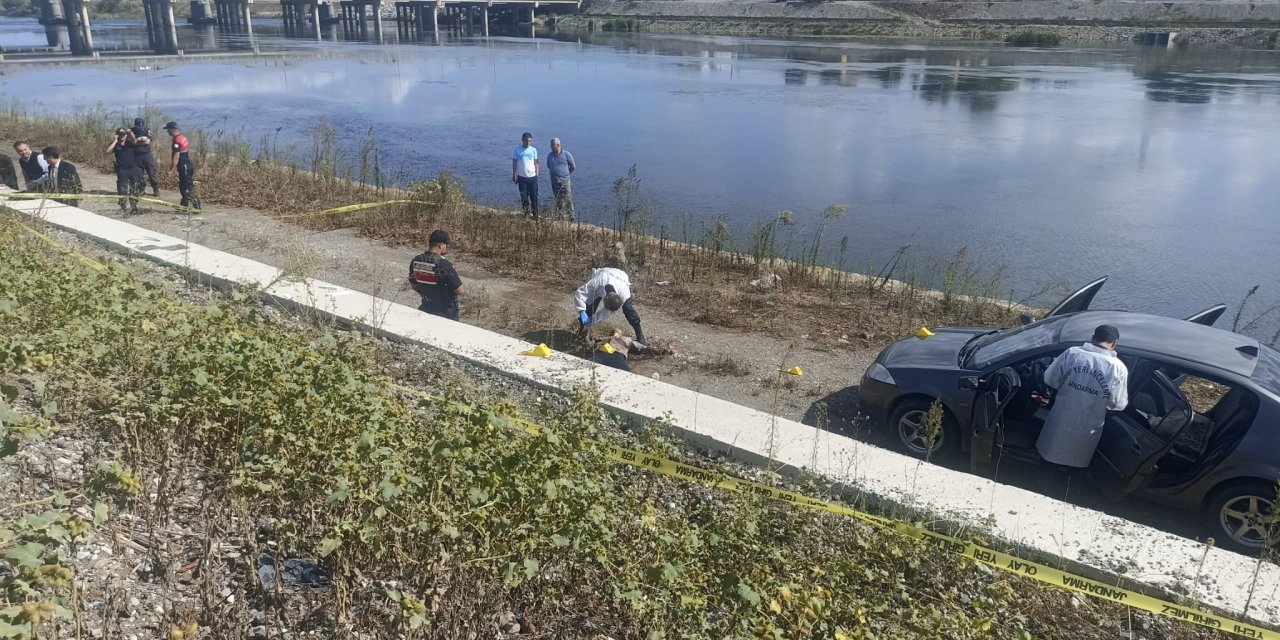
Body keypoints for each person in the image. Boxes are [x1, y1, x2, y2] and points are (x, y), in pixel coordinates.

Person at [1036, 324, 1130, 469]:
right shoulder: (1118, 368)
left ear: (1092, 338)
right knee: (1071, 468)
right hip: (1086, 431)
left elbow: (1050, 379)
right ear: (1114, 344)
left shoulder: (1072, 353)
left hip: (1059, 422)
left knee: (1048, 463)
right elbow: (1117, 404)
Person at [574, 267, 646, 344]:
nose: (606, 310)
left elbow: (607, 312)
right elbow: (580, 292)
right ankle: (582, 332)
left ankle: (640, 336)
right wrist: (582, 310)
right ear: (606, 297)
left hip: (622, 277)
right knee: (589, 306)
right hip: (605, 273)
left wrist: (593, 320)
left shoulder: (624, 295)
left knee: (628, 309)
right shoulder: (598, 282)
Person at [408, 229, 465, 321]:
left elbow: (414, 285)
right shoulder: (443, 264)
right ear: (441, 245)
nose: (446, 247)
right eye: (446, 245)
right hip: (445, 313)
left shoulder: (416, 260)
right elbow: (460, 290)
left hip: (426, 307)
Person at [592, 327, 675, 372]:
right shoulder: (602, 339)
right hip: (601, 354)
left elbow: (643, 348)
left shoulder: (626, 339)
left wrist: (664, 351)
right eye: (615, 330)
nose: (615, 331)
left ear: (621, 334)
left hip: (616, 355)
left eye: (618, 331)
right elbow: (590, 345)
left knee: (625, 376)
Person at [164, 121, 201, 210]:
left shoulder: (176, 141)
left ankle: (196, 206)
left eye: (168, 129)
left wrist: (171, 170)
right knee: (182, 186)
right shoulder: (182, 137)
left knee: (188, 186)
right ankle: (184, 205)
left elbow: (176, 157)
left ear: (172, 129)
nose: (167, 131)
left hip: (184, 165)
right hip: (187, 164)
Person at [108, 127, 145, 214]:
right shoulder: (116, 145)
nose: (122, 136)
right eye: (120, 134)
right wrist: (115, 141)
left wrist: (129, 132)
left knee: (134, 189)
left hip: (133, 169)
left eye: (123, 134)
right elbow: (108, 151)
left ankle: (133, 207)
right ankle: (123, 206)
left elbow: (134, 140)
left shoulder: (130, 143)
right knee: (122, 189)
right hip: (122, 170)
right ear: (117, 135)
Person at [545, 137, 576, 220]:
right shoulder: (550, 155)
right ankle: (561, 216)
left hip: (565, 181)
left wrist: (566, 174)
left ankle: (571, 217)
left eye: (552, 146)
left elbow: (573, 167)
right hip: (554, 181)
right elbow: (549, 166)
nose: (551, 147)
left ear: (558, 145)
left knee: (568, 199)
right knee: (558, 199)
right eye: (551, 145)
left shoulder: (567, 154)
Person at [511, 131, 539, 218]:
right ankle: (526, 214)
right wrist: (514, 174)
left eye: (529, 141)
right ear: (522, 140)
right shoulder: (517, 150)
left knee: (534, 197)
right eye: (526, 140)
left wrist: (537, 173)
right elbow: (514, 163)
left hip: (532, 177)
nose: (528, 142)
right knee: (524, 196)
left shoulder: (534, 150)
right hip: (522, 177)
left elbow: (536, 162)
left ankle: (535, 215)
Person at [131, 117, 161, 197]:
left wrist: (136, 141)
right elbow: (131, 141)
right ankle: (142, 190)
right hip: (136, 155)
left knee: (151, 173)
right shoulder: (132, 130)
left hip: (146, 154)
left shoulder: (147, 130)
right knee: (139, 175)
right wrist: (138, 141)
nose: (140, 128)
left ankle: (156, 189)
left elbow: (147, 142)